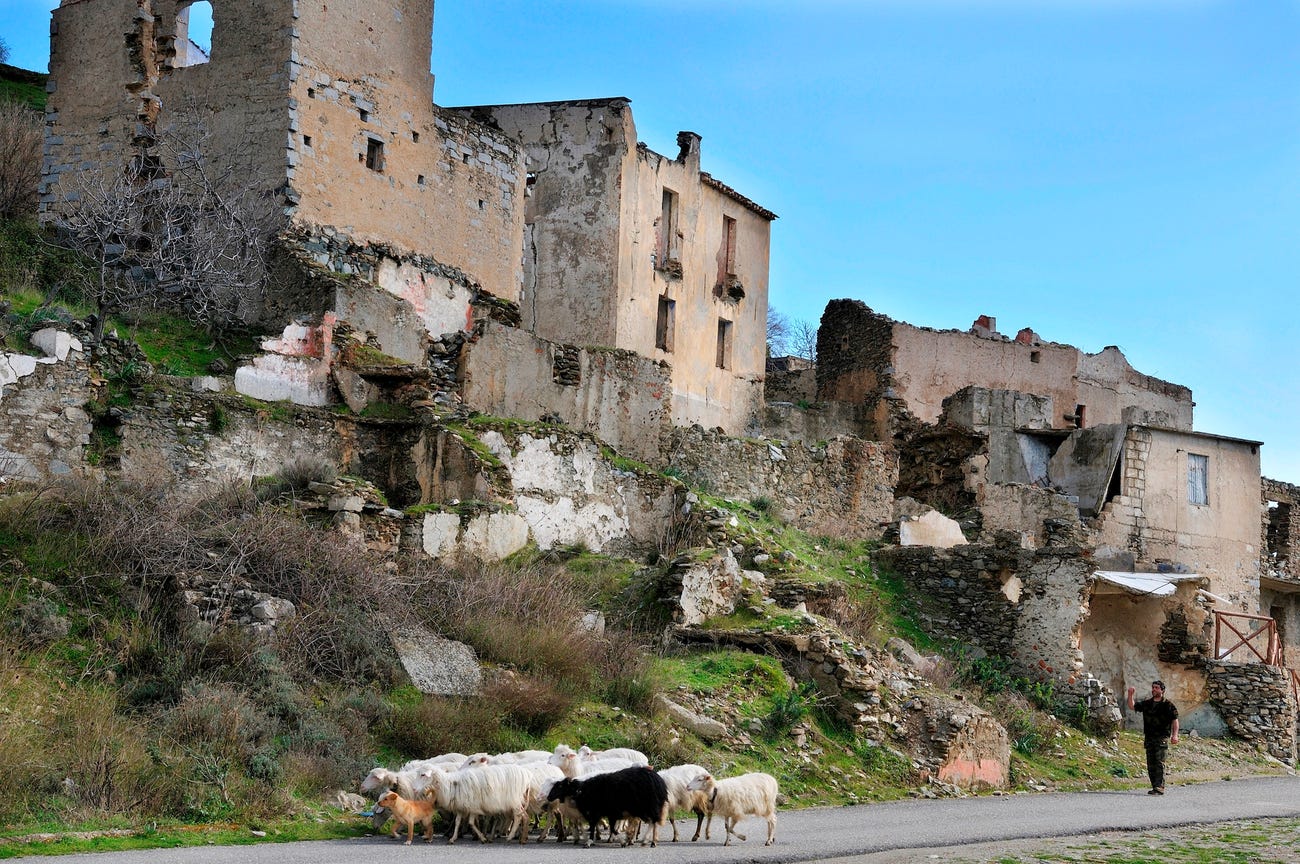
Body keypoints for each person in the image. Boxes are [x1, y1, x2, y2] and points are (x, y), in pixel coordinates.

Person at [1127, 680, 1179, 795]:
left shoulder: (1168, 705)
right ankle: (1154, 786)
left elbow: (1175, 720)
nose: (1154, 689)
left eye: (1156, 688)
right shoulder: (1147, 704)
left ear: (1162, 690)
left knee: (1160, 762)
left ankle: (1159, 787)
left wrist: (1175, 735)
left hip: (1162, 737)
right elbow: (1132, 706)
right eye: (1153, 687)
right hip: (1149, 737)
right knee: (1151, 763)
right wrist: (1130, 694)